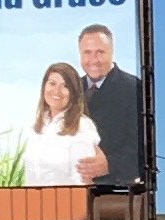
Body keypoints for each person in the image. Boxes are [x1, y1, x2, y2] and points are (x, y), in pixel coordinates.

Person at [76, 22, 145, 189]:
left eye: (100, 52)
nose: (93, 60)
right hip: (70, 190)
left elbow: (143, 146)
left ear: (112, 52)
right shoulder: (71, 89)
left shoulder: (133, 88)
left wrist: (109, 165)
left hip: (115, 192)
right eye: (87, 52)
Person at [22, 62, 102, 189]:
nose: (56, 91)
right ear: (44, 86)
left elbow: (82, 182)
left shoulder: (82, 126)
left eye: (65, 86)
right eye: (52, 83)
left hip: (67, 205)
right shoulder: (37, 127)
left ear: (74, 92)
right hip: (34, 204)